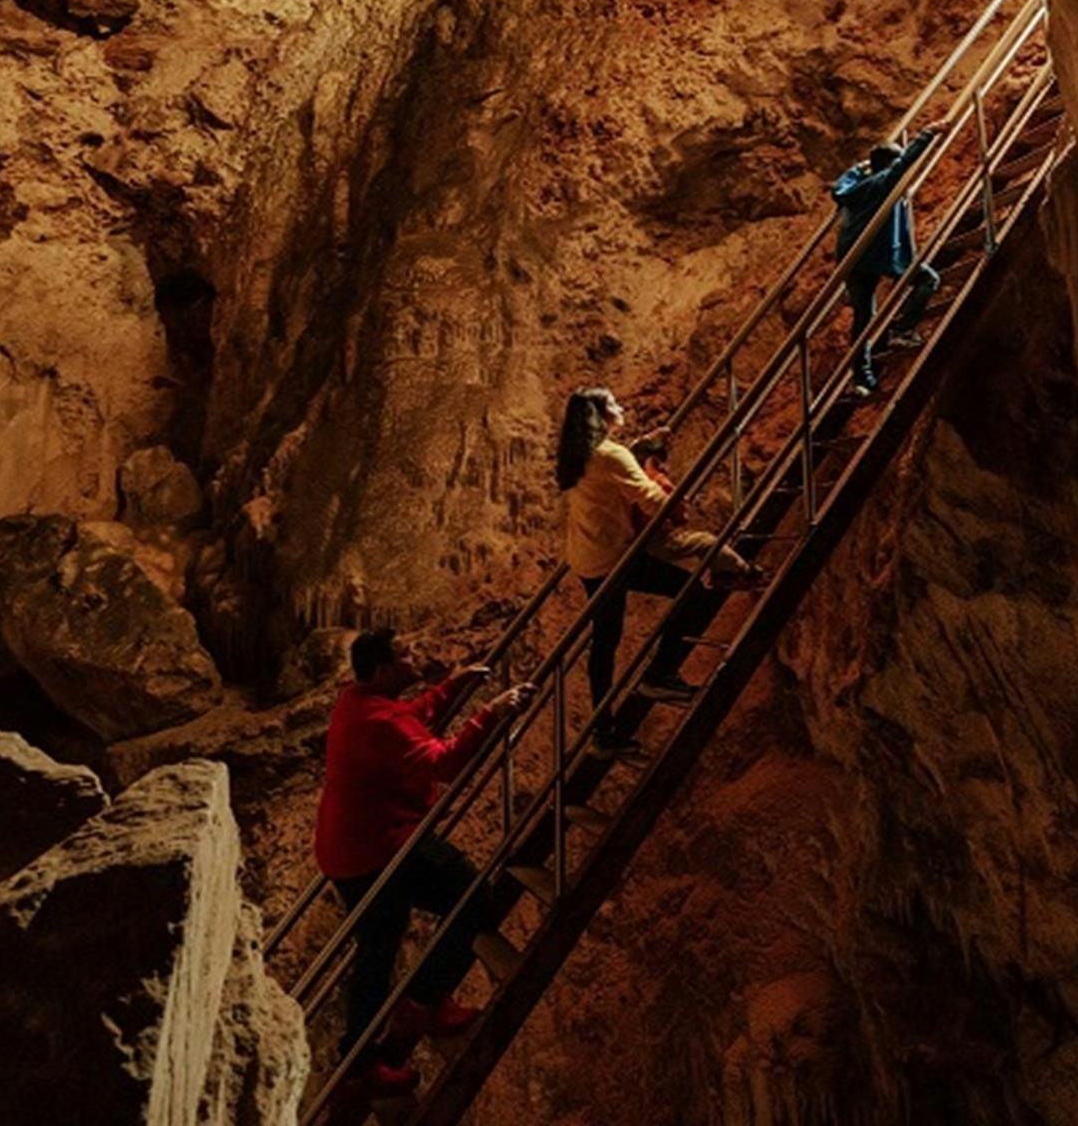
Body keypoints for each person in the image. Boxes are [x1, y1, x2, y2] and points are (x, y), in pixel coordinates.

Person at [313, 627, 533, 1111]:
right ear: (382, 669)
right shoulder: (377, 720)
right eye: (404, 654)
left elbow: (408, 718)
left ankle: (387, 1037)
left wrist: (454, 687)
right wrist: (490, 714)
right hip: (376, 850)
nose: (416, 656)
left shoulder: (360, 701)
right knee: (460, 900)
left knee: (388, 939)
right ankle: (405, 1022)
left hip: (361, 844)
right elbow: (445, 762)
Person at [556, 386, 761, 750]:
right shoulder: (611, 455)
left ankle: (603, 732)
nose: (621, 406)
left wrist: (641, 446)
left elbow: (615, 466)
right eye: (614, 404)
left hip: (586, 557)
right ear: (601, 417)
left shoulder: (577, 453)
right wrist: (677, 503)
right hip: (613, 559)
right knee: (693, 593)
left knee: (606, 643)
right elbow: (649, 498)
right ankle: (661, 672)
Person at [831, 128, 943, 396]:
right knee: (928, 280)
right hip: (878, 253)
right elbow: (906, 163)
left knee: (863, 316)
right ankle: (902, 330)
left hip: (851, 257)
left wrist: (860, 168)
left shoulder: (857, 186)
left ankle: (861, 378)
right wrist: (928, 134)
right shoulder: (885, 183)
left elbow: (837, 189)